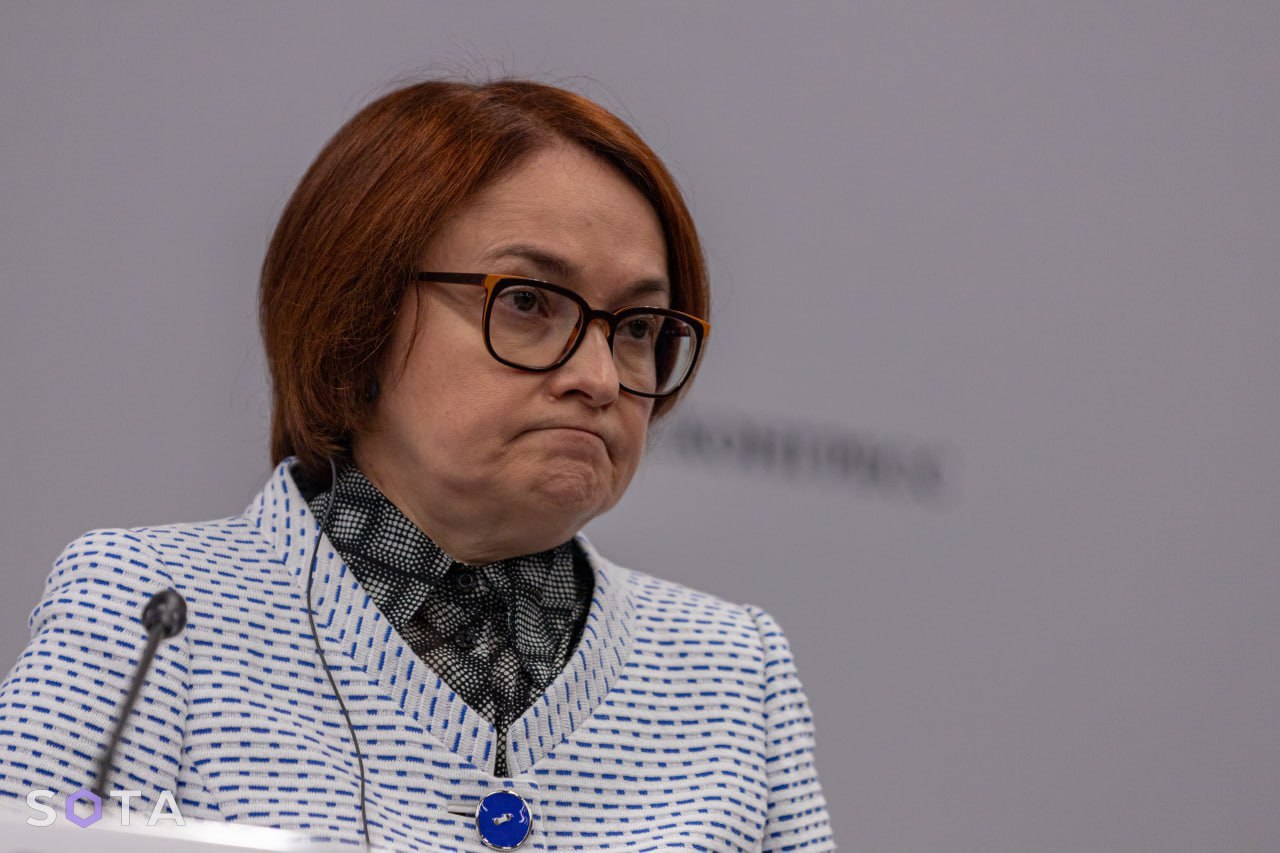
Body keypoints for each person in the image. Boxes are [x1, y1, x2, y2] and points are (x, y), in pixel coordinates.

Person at [0, 79, 832, 851]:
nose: (600, 377)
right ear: (356, 317)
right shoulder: (153, 613)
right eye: (528, 302)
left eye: (639, 327)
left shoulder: (733, 668)